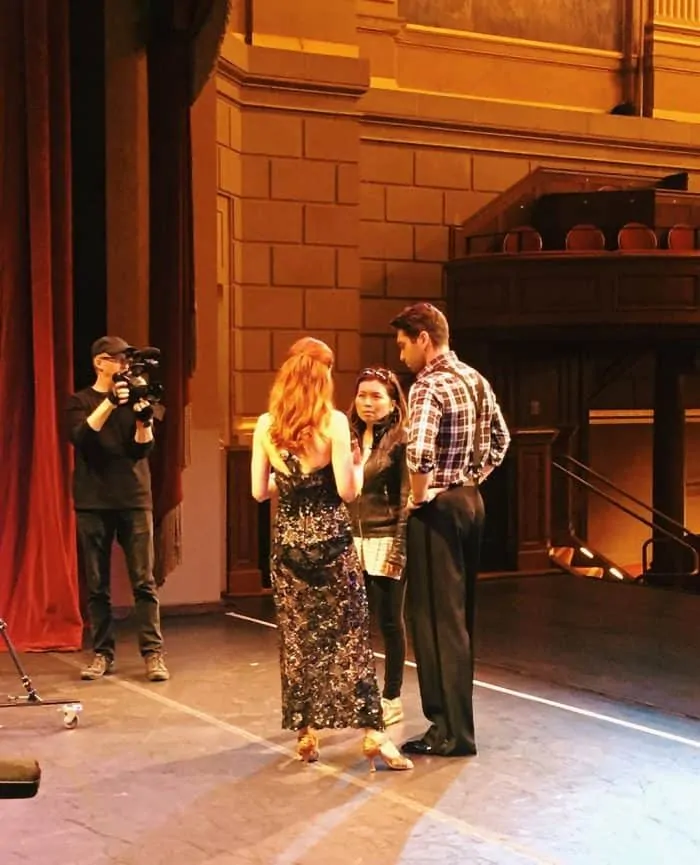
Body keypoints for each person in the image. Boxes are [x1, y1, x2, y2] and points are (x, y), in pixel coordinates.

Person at [250, 337, 413, 771]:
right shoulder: (335, 424)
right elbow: (347, 491)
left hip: (287, 546)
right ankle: (374, 734)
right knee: (351, 639)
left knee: (299, 642)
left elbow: (258, 491)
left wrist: (291, 483)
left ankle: (307, 734)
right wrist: (357, 465)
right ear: (322, 377)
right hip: (332, 546)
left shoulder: (266, 425)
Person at [389, 303, 510, 757]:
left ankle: (450, 731)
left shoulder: (428, 385)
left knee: (435, 620)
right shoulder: (475, 378)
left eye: (404, 345)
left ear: (423, 339)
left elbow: (418, 454)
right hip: (470, 503)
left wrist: (421, 495)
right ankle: (452, 727)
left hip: (438, 507)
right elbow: (502, 440)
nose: (401, 355)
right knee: (459, 618)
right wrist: (471, 478)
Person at [66, 336, 169, 682]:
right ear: (100, 362)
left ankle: (153, 654)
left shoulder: (136, 398)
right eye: (119, 360)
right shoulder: (80, 401)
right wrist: (111, 402)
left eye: (128, 360)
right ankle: (102, 653)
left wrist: (143, 421)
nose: (125, 366)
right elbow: (82, 436)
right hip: (94, 502)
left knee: (144, 582)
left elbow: (143, 450)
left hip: (134, 499)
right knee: (98, 585)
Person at [347, 367, 409, 727]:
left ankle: (392, 696)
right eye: (362, 395)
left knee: (389, 621)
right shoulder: (349, 435)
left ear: (392, 401)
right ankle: (362, 691)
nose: (368, 403)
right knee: (354, 621)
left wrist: (398, 549)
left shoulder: (401, 439)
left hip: (385, 537)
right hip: (352, 539)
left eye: (376, 396)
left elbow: (406, 497)